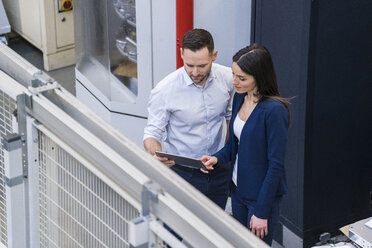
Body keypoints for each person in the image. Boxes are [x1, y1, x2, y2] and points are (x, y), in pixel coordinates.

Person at [201, 43, 290, 245]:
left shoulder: (274, 111)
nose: (234, 82)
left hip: (260, 198)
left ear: (259, 77)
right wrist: (217, 158)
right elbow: (235, 146)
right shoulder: (241, 98)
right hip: (237, 191)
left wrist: (261, 211)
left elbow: (276, 165)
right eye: (233, 75)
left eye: (241, 78)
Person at [143, 28, 234, 209]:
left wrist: (225, 156)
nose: (195, 72)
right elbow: (152, 133)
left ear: (214, 55)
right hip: (181, 174)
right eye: (189, 65)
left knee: (215, 227)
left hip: (219, 171)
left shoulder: (228, 78)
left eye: (202, 66)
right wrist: (155, 154)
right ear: (181, 54)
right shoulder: (165, 89)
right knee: (175, 230)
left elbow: (231, 119)